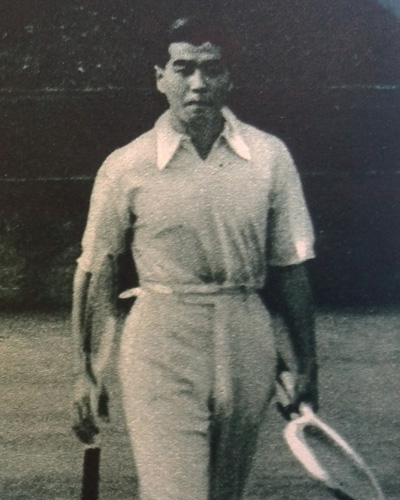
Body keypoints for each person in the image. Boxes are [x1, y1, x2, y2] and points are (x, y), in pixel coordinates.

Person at [72, 16, 318, 500]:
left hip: (247, 337)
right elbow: (95, 271)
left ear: (230, 77)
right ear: (160, 77)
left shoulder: (270, 156)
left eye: (212, 68)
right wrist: (85, 371)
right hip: (160, 338)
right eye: (183, 69)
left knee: (224, 493)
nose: (199, 83)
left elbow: (291, 268)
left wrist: (308, 366)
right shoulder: (127, 164)